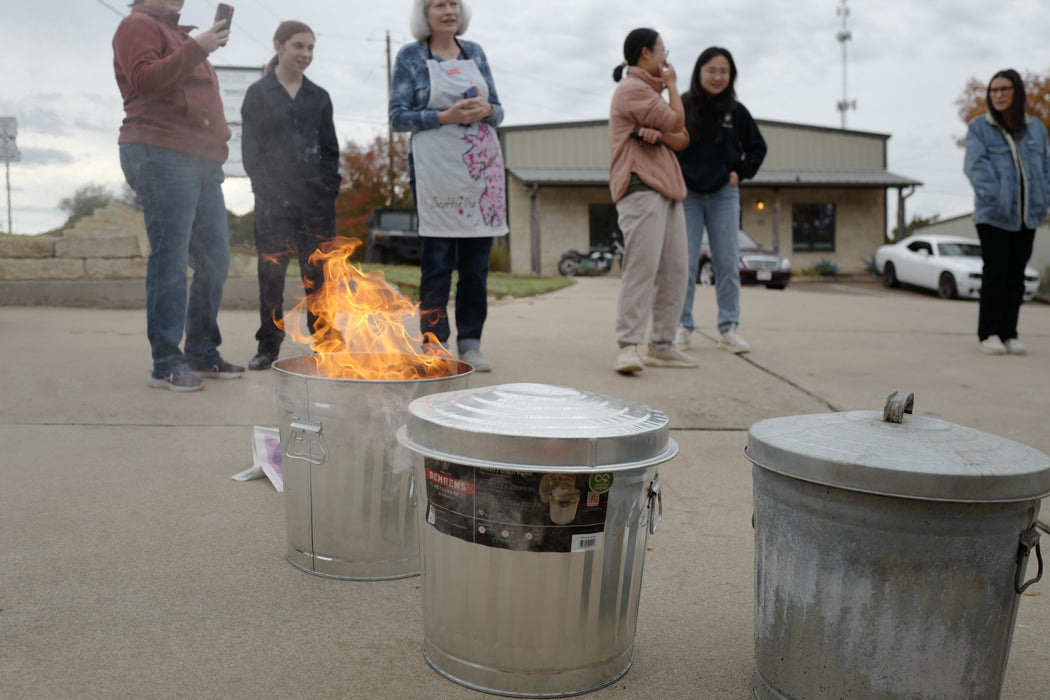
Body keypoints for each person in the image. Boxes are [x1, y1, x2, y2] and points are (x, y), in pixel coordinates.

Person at [113, 0, 244, 392]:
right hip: (161, 152)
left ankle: (202, 352)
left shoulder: (181, 35)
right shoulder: (136, 25)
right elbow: (147, 81)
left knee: (216, 259)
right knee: (170, 258)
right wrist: (198, 47)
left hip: (201, 160)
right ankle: (167, 362)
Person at [389, 0, 507, 372]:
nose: (448, 10)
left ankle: (471, 344)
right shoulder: (410, 57)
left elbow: (500, 110)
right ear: (424, 15)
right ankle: (435, 344)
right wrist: (445, 116)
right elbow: (397, 117)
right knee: (437, 262)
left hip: (479, 171)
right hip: (434, 170)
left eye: (454, 3)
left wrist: (486, 111)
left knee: (476, 265)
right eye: (439, 4)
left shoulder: (476, 53)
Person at [241, 21, 342, 371]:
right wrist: (268, 193)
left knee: (319, 279)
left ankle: (325, 342)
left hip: (316, 206)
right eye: (299, 46)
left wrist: (329, 189)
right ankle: (268, 346)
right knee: (271, 277)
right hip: (273, 206)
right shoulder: (258, 94)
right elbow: (251, 151)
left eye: (311, 48)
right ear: (279, 46)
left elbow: (330, 150)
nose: (306, 54)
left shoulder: (320, 97)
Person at [608, 28, 695, 375]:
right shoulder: (632, 89)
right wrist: (673, 85)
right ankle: (629, 345)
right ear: (646, 53)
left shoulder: (649, 92)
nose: (666, 58)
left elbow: (681, 137)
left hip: (666, 186)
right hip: (640, 185)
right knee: (642, 267)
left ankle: (661, 344)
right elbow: (677, 119)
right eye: (663, 50)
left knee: (676, 269)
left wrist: (661, 134)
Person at [673, 47, 766, 355]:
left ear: (731, 75)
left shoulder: (736, 112)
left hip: (724, 195)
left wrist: (741, 170)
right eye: (711, 70)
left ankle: (729, 328)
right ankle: (681, 327)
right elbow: (668, 144)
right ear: (699, 71)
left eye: (723, 71)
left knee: (726, 261)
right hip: (688, 195)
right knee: (683, 263)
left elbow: (757, 148)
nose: (717, 76)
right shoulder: (684, 104)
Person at [964, 69, 1050, 356]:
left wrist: (1043, 200)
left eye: (1004, 89)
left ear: (1017, 93)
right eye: (993, 90)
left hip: (1029, 215)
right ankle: (988, 333)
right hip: (994, 216)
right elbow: (976, 168)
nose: (998, 95)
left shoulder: (1036, 128)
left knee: (1017, 276)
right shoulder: (979, 127)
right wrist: (998, 200)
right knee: (996, 274)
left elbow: (1046, 169)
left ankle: (1009, 333)